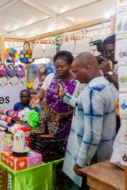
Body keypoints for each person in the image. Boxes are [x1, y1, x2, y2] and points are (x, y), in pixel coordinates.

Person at [61, 52, 117, 189]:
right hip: (106, 153)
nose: (74, 76)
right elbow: (85, 107)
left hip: (93, 159)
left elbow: (92, 135)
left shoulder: (92, 91)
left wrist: (80, 163)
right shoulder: (105, 84)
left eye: (75, 71)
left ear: (87, 67)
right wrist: (66, 97)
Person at [30, 51, 80, 149]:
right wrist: (38, 96)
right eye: (56, 67)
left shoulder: (77, 81)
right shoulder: (51, 77)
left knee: (63, 149)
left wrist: (64, 115)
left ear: (70, 65)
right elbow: (43, 90)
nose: (59, 69)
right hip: (48, 120)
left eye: (62, 66)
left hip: (67, 123)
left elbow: (79, 105)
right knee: (47, 148)